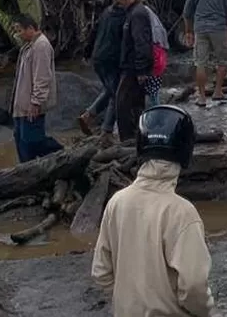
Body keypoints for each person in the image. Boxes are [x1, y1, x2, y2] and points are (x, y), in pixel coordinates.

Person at [92, 105, 220, 317]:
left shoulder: (117, 203)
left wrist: (130, 301)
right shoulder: (182, 213)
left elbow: (101, 272)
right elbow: (194, 286)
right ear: (185, 151)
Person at [10, 14, 62, 163]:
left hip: (31, 105)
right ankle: (25, 171)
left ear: (31, 28)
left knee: (32, 141)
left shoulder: (41, 46)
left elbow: (42, 76)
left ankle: (60, 153)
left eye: (20, 30)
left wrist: (36, 101)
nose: (17, 34)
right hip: (22, 104)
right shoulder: (30, 45)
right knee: (21, 140)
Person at [79, 0, 127, 143]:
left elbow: (93, 31)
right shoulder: (124, 17)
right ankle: (106, 131)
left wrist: (87, 52)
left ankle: (88, 115)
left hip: (98, 57)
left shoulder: (106, 13)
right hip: (112, 59)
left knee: (109, 89)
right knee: (116, 94)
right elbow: (125, 40)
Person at [115, 0, 153, 142]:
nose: (119, 4)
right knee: (134, 102)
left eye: (120, 1)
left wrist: (141, 69)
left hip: (134, 67)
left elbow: (141, 43)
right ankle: (137, 135)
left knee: (123, 102)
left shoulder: (137, 14)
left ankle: (129, 137)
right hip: (131, 65)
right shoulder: (133, 12)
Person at [144, 4, 169, 108]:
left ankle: (153, 116)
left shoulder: (143, 14)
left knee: (152, 96)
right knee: (154, 93)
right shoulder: (158, 29)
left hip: (153, 64)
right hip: (158, 63)